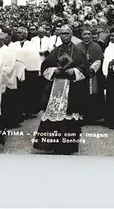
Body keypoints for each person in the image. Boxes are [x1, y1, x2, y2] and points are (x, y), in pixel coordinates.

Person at [33, 25, 89, 155]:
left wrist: (73, 71)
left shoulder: (78, 52)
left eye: (67, 33)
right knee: (54, 115)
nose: (64, 36)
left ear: (71, 35)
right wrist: (55, 70)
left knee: (69, 117)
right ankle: (49, 145)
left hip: (72, 88)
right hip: (55, 87)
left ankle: (67, 147)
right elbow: (45, 66)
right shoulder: (55, 51)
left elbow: (85, 70)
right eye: (62, 34)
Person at [77, 27, 105, 124]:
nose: (87, 36)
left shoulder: (96, 46)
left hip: (93, 74)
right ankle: (81, 115)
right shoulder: (77, 46)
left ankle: (94, 116)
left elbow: (98, 60)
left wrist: (91, 69)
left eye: (89, 34)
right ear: (81, 35)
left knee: (94, 93)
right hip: (81, 73)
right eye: (85, 34)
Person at [0, 31, 18, 128]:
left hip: (5, 81)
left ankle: (7, 123)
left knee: (6, 104)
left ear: (2, 41)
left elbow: (9, 67)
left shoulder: (8, 51)